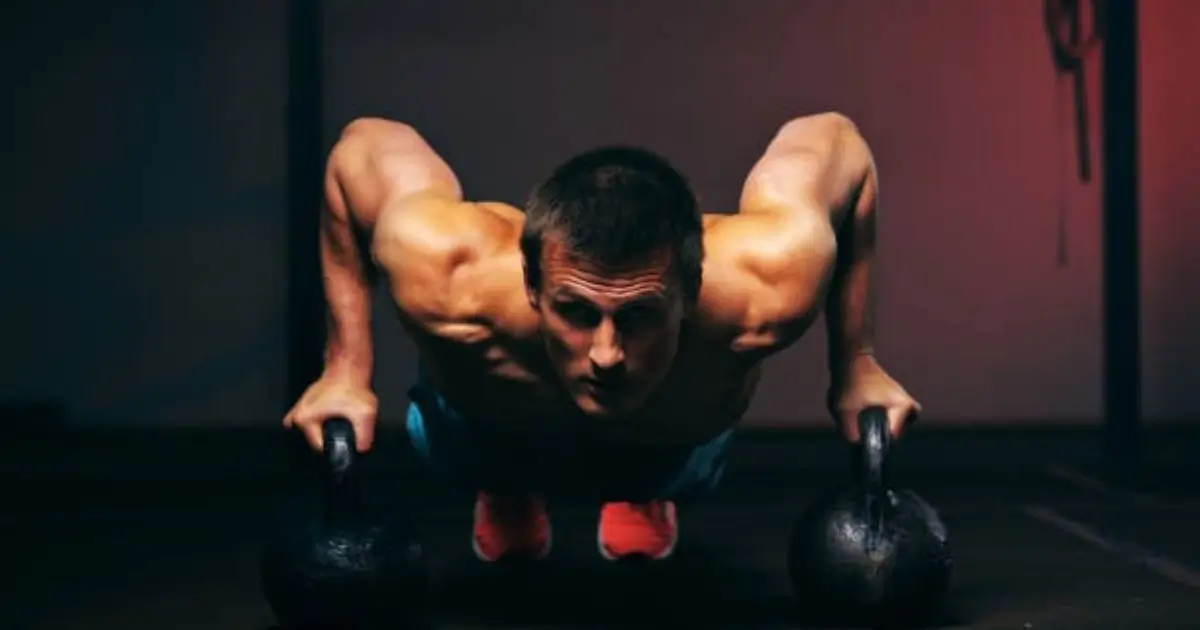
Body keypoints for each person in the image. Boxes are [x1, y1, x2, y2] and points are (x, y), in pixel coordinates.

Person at [283, 113, 921, 563]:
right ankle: (506, 489)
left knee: (662, 454)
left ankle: (643, 490)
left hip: (670, 445)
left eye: (639, 316)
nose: (607, 354)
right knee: (477, 441)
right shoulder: (450, 268)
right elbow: (358, 152)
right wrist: (345, 367)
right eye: (575, 312)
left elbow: (841, 145)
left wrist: (856, 364)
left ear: (692, 290)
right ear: (532, 285)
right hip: (486, 431)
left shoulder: (767, 277)